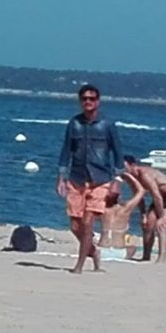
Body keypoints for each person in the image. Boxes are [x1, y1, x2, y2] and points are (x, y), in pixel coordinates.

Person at [56, 84, 126, 275]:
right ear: (80, 101)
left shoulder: (107, 125)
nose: (88, 101)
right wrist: (61, 177)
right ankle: (93, 252)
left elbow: (118, 155)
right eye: (84, 98)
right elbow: (66, 151)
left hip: (100, 179)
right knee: (75, 226)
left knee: (88, 223)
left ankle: (79, 265)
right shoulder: (74, 123)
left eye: (92, 98)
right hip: (76, 179)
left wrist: (117, 182)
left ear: (98, 101)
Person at [125, 155, 166, 262]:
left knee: (161, 225)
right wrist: (143, 215)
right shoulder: (131, 178)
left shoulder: (144, 174)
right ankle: (146, 256)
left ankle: (161, 258)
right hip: (160, 197)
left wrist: (161, 216)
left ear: (132, 165)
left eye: (124, 166)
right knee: (148, 225)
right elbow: (139, 197)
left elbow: (156, 195)